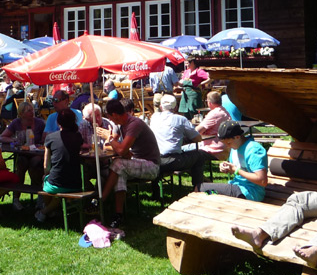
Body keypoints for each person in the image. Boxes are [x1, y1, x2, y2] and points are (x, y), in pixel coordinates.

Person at [96, 98, 161, 228]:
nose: (109, 120)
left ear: (114, 115)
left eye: (108, 117)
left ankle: (101, 199)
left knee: (118, 164)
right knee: (119, 169)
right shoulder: (122, 126)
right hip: (137, 162)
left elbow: (119, 149)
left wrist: (109, 138)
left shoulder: (134, 124)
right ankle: (118, 215)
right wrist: (114, 144)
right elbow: (109, 147)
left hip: (151, 166)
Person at [150, 94, 208, 191]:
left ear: (160, 107)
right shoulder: (180, 119)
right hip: (173, 160)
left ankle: (156, 192)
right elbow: (197, 138)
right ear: (176, 107)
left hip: (155, 159)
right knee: (199, 155)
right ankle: (197, 189)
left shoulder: (154, 117)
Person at [35, 108, 84, 222]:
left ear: (58, 123)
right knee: (57, 188)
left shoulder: (50, 138)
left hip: (56, 182)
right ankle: (50, 211)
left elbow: (46, 165)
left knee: (46, 183)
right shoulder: (78, 137)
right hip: (75, 183)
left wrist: (45, 175)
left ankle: (45, 211)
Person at [199, 120, 268, 200]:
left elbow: (262, 181)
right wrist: (227, 167)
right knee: (209, 194)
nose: (227, 146)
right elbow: (236, 167)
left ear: (237, 137)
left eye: (228, 143)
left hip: (250, 191)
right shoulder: (235, 146)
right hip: (236, 187)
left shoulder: (254, 150)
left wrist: (236, 170)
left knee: (201, 188)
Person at [0, 101, 46, 210]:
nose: (32, 112)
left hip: (36, 152)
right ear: (21, 113)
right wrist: (14, 140)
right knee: (21, 163)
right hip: (23, 152)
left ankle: (40, 195)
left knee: (36, 164)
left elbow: (45, 138)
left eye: (32, 110)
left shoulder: (39, 123)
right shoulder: (16, 123)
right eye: (29, 110)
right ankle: (16, 199)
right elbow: (2, 137)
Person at [196, 91, 232, 160]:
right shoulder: (223, 111)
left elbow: (197, 131)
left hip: (214, 149)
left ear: (209, 102)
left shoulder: (214, 114)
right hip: (225, 148)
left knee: (184, 149)